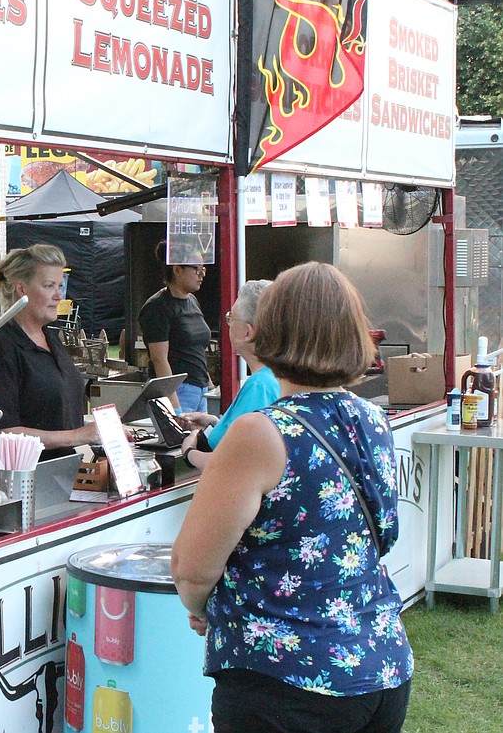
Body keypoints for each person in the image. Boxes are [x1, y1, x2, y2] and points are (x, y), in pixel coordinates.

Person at [172, 262, 412, 732]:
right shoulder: (372, 419)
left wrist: (206, 609)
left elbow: (192, 569)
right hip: (379, 661)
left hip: (285, 680)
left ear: (268, 331)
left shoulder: (260, 434)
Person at [0, 244, 99, 460]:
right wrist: (78, 436)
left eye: (60, 286)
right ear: (21, 289)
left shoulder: (51, 338)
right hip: (22, 480)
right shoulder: (1, 348)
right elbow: (4, 432)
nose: (58, 296)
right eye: (49, 286)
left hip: (63, 474)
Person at [178, 279, 279, 469]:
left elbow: (234, 461)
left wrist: (190, 452)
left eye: (231, 318)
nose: (228, 324)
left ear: (248, 332)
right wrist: (217, 423)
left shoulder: (259, 385)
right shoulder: (273, 376)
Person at [137, 246, 212, 414]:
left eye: (203, 268)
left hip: (201, 388)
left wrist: (210, 386)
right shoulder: (157, 307)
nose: (202, 274)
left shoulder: (192, 300)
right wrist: (175, 406)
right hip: (180, 391)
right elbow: (159, 359)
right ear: (177, 269)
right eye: (196, 269)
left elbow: (197, 351)